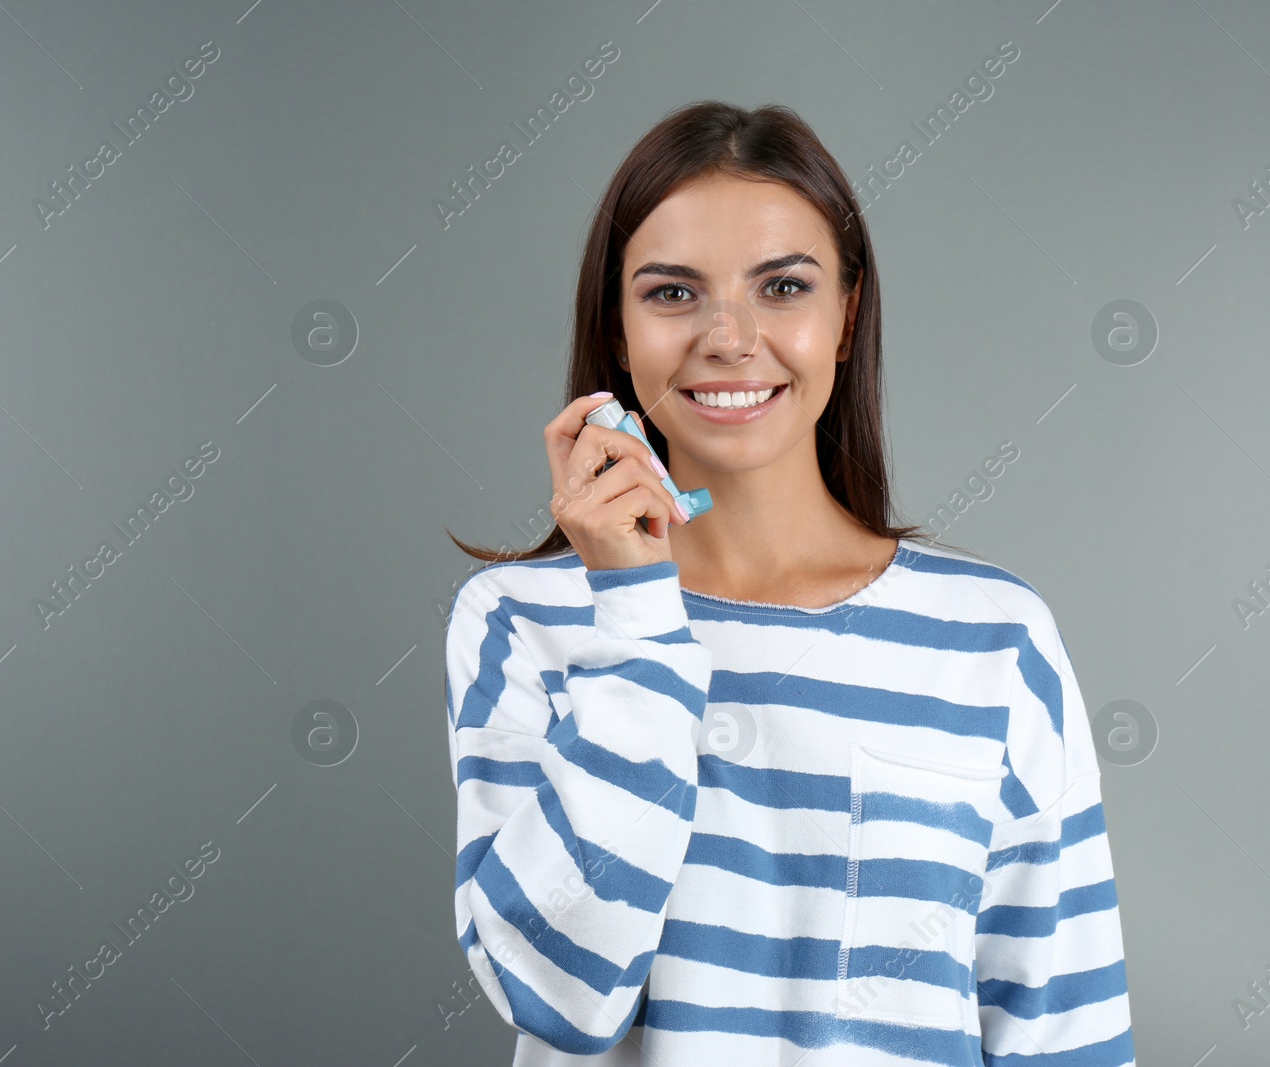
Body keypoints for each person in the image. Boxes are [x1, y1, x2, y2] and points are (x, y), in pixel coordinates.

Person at [442, 100, 1135, 1066]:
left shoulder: (996, 638)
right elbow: (555, 995)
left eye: (782, 287)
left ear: (846, 319)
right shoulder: (522, 621)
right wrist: (638, 620)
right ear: (619, 328)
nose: (728, 338)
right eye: (673, 294)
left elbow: (1063, 1022)